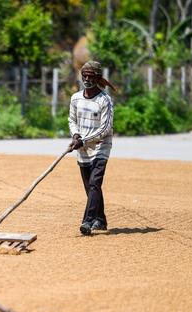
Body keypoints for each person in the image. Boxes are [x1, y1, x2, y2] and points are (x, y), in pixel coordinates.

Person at [68, 61, 116, 236]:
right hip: (83, 149)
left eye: (91, 76)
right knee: (90, 187)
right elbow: (72, 120)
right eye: (84, 76)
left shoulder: (105, 100)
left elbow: (105, 129)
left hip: (100, 147)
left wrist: (84, 140)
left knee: (95, 183)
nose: (87, 79)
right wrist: (75, 136)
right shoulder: (75, 98)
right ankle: (100, 220)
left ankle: (87, 222)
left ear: (98, 78)